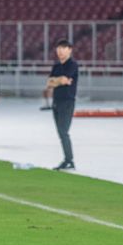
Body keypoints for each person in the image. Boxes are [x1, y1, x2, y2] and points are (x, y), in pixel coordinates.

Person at [47, 39, 79, 171]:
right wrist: (59, 80)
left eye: (63, 48)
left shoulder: (72, 65)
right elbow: (49, 83)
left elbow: (65, 79)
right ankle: (68, 159)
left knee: (63, 131)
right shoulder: (56, 66)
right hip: (56, 101)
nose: (60, 51)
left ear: (70, 50)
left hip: (67, 101)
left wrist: (58, 80)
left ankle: (69, 160)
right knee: (61, 132)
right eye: (58, 48)